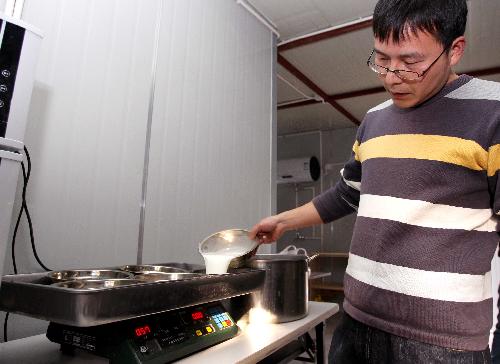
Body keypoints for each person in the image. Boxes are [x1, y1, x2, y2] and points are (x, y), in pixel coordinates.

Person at [249, 0, 500, 362]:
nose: (392, 76)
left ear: (455, 49)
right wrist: (283, 222)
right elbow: (346, 195)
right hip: (355, 323)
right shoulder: (374, 119)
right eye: (382, 59)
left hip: (441, 343)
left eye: (411, 62)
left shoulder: (492, 112)